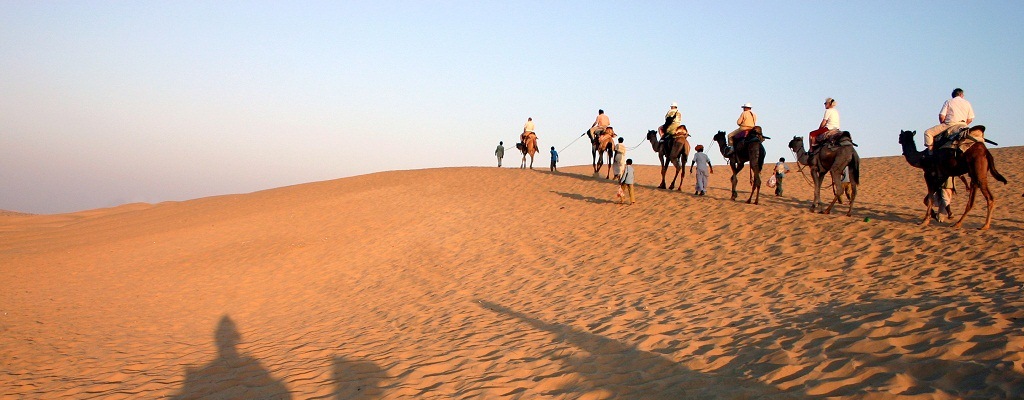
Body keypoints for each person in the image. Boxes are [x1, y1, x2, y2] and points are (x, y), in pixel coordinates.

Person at [924, 88, 975, 154]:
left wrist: (942, 123)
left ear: (954, 95)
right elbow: (970, 119)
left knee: (928, 133)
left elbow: (941, 116)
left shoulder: (949, 101)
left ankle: (930, 153)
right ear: (961, 94)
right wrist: (964, 124)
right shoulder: (967, 103)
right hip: (963, 125)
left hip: (950, 124)